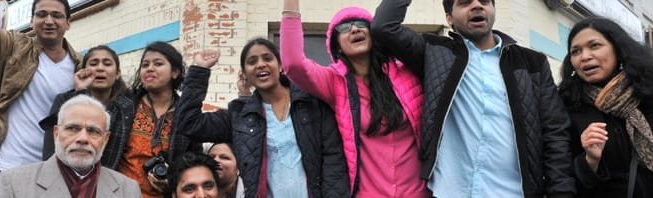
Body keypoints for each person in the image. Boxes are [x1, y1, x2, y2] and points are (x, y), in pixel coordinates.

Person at [373, 0, 575, 197]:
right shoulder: (434, 51)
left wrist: (561, 191)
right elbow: (384, 27)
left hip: (514, 192)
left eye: (485, 2)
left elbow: (554, 132)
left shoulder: (532, 63)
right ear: (449, 17)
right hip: (448, 191)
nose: (477, 5)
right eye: (465, 2)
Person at [279, 0, 424, 196]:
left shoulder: (405, 72)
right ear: (336, 45)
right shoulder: (335, 83)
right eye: (345, 28)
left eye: (361, 24)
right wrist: (291, 5)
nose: (355, 29)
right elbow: (294, 64)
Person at [176, 39, 349, 197]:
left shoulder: (312, 103)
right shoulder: (239, 115)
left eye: (267, 58)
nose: (260, 64)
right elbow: (190, 124)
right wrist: (199, 70)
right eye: (252, 62)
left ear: (280, 65)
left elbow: (334, 160)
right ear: (245, 73)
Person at [0, 0, 82, 185]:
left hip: (54, 174)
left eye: (57, 15)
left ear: (68, 22)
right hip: (7, 169)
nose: (49, 20)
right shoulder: (12, 47)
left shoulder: (80, 66)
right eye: (42, 14)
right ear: (31, 21)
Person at [558, 17, 653, 198]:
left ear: (618, 49)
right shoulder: (566, 106)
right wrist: (590, 160)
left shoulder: (648, 95)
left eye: (594, 46)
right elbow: (561, 179)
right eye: (576, 51)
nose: (585, 56)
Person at [0, 95, 141, 197]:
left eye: (93, 131)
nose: (83, 138)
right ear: (56, 133)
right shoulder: (12, 183)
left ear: (106, 139)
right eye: (73, 128)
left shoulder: (127, 190)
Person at [115, 41, 198, 197]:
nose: (150, 68)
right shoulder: (124, 106)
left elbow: (193, 160)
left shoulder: (186, 115)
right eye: (145, 65)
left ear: (175, 72)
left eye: (158, 64)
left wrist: (173, 183)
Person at [40, 45, 129, 163]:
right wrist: (80, 92)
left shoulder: (127, 106)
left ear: (117, 73)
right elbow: (50, 146)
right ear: (83, 70)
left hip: (108, 177)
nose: (100, 68)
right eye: (93, 64)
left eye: (107, 64)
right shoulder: (65, 100)